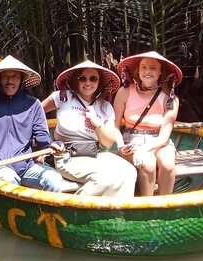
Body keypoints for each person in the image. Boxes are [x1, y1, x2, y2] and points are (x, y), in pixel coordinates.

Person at [0, 56, 79, 192]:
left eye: (15, 76)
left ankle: (48, 213)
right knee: (10, 180)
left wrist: (52, 145)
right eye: (5, 76)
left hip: (27, 166)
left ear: (21, 79)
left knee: (54, 180)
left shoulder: (33, 105)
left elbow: (42, 135)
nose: (10, 81)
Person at [41, 60, 137, 197]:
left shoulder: (105, 106)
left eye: (93, 78)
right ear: (76, 80)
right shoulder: (62, 97)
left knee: (129, 171)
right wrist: (43, 142)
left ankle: (117, 212)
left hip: (96, 154)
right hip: (67, 156)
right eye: (82, 78)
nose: (88, 83)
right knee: (103, 178)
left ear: (99, 82)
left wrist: (96, 123)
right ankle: (73, 210)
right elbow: (36, 112)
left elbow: (108, 143)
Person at [113, 51, 182, 196]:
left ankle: (165, 205)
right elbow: (115, 125)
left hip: (158, 142)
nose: (147, 71)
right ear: (138, 71)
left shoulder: (170, 99)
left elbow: (164, 137)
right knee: (148, 163)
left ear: (160, 72)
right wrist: (120, 146)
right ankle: (147, 206)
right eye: (143, 67)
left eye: (153, 68)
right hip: (131, 140)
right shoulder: (124, 92)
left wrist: (145, 149)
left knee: (168, 165)